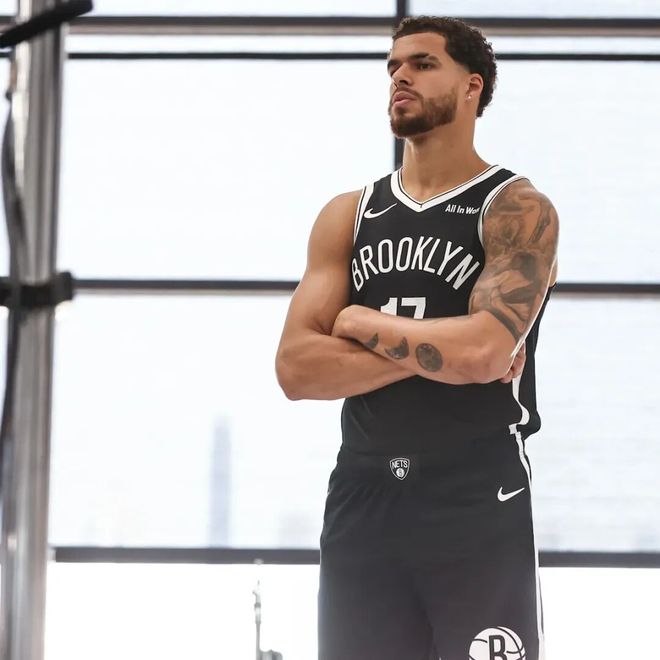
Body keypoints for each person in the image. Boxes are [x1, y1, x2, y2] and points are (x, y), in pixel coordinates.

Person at [275, 14, 558, 660]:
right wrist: (447, 353)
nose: (400, 76)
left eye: (423, 64)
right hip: (363, 490)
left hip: (476, 490)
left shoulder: (515, 207)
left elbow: (483, 352)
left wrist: (361, 325)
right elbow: (295, 369)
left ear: (472, 87)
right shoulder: (349, 214)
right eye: (394, 66)